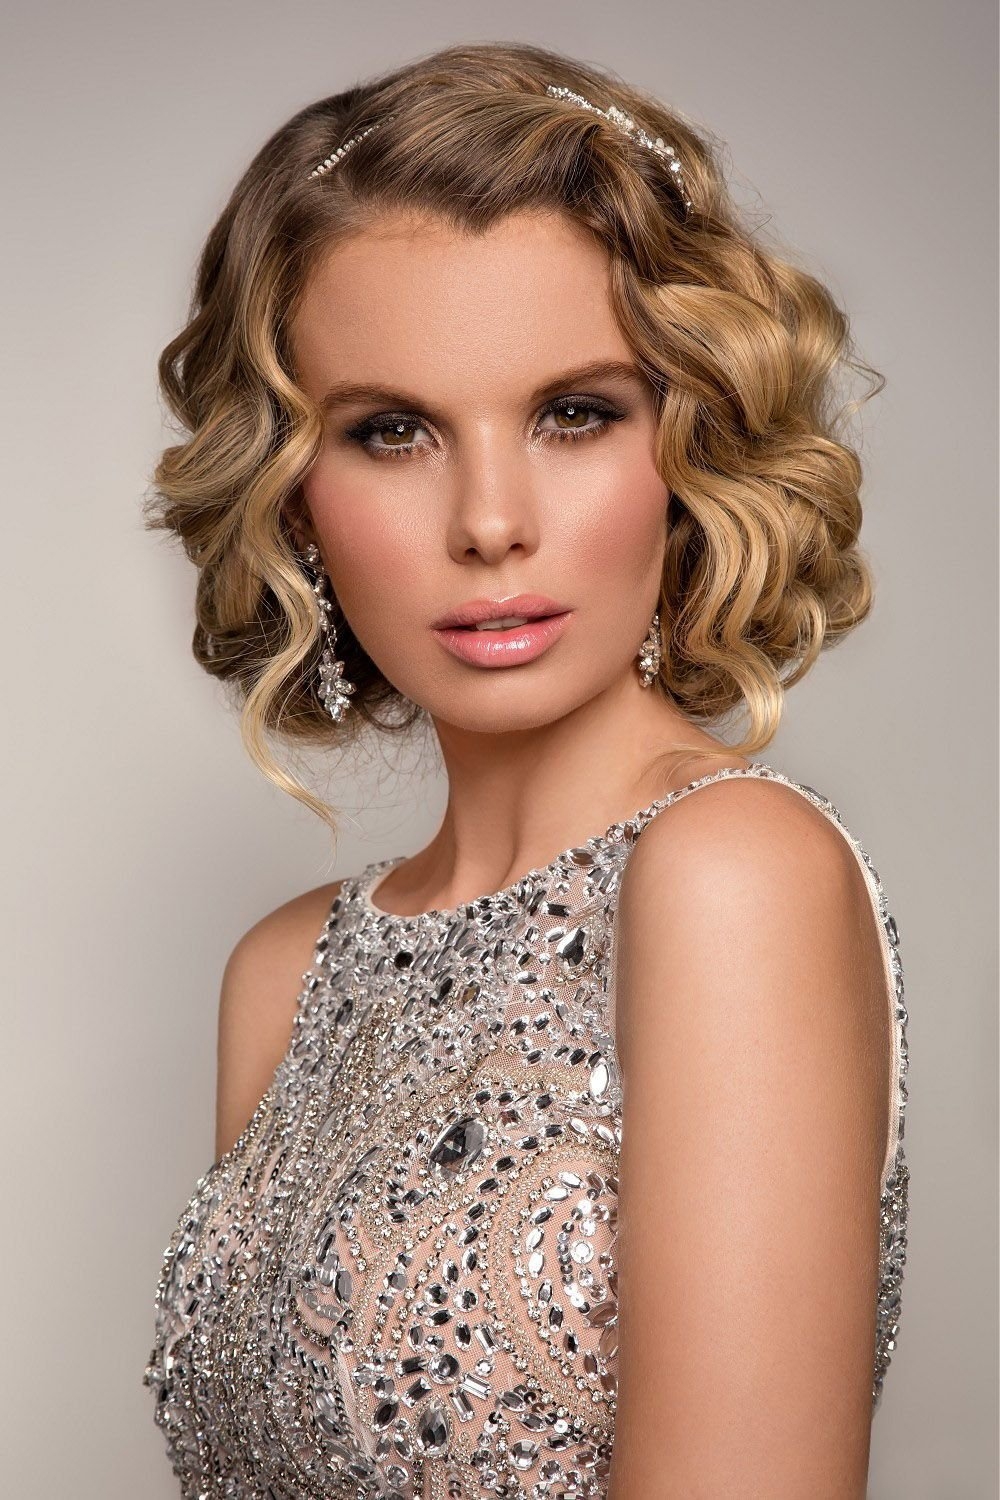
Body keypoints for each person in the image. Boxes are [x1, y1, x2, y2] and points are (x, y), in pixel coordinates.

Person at [142, 40, 909, 1500]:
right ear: (295, 499)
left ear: (691, 441)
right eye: (390, 432)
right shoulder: (284, 975)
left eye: (575, 414)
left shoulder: (732, 875)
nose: (490, 521)